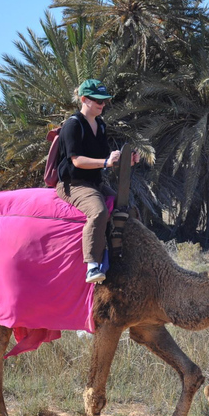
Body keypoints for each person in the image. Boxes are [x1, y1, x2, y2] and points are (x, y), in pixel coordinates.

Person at [56, 79, 139, 284]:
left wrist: (126, 160)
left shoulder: (100, 125)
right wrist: (106, 162)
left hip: (94, 182)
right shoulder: (72, 125)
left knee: (126, 207)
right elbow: (77, 161)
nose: (102, 104)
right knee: (99, 211)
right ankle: (92, 266)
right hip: (73, 184)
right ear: (84, 100)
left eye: (104, 100)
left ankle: (122, 255)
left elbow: (104, 160)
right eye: (97, 100)